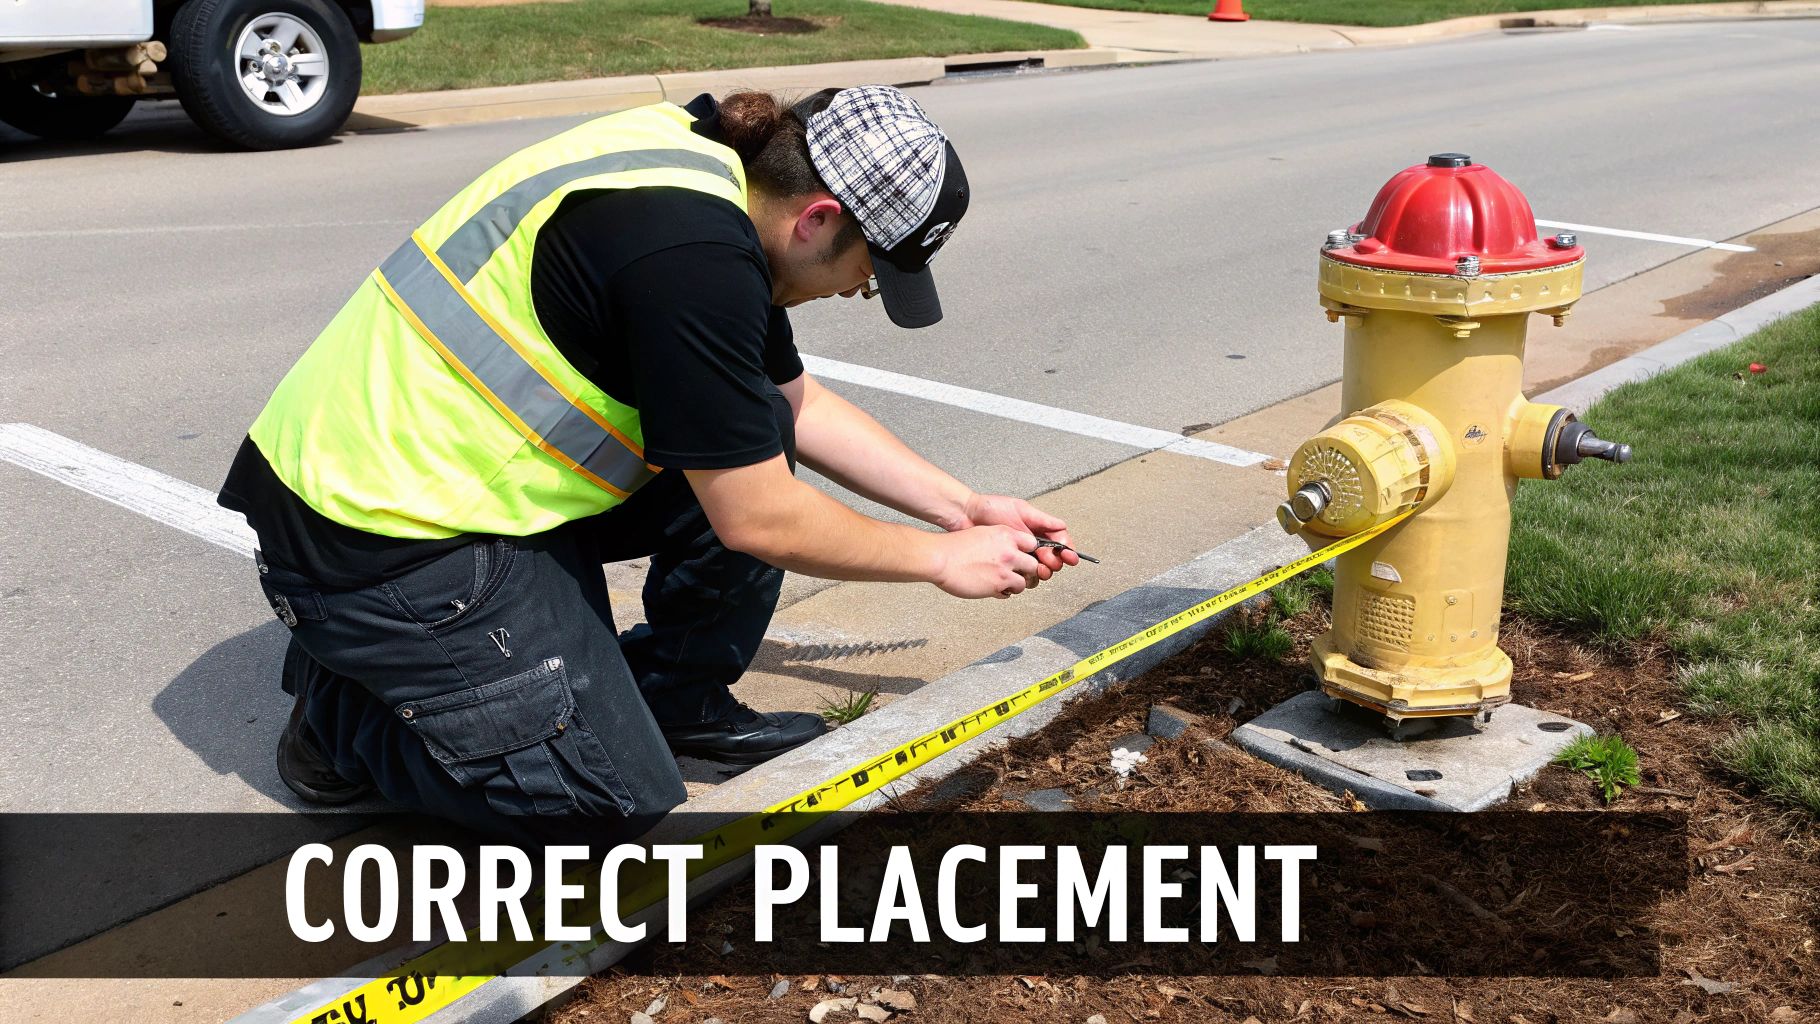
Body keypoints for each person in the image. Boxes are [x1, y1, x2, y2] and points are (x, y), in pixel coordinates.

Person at [219, 85, 1080, 844]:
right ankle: (344, 719)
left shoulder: (713, 180)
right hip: (377, 532)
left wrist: (962, 508)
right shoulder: (690, 258)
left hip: (458, 481)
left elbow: (791, 405)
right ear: (818, 219)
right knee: (611, 812)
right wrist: (938, 561)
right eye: (866, 274)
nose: (856, 292)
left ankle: (674, 700)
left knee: (753, 444)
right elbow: (759, 518)